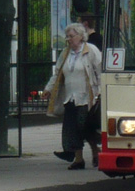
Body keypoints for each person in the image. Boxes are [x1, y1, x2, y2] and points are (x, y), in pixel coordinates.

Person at [44, 23, 102, 170]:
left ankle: (92, 153)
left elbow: (100, 72)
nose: (68, 39)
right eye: (67, 36)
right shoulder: (65, 53)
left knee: (82, 126)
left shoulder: (91, 50)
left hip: (86, 97)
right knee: (73, 127)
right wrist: (48, 89)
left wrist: (101, 91)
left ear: (81, 36)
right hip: (70, 97)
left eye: (71, 36)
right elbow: (57, 74)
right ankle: (79, 158)